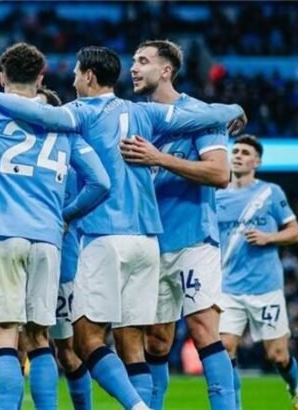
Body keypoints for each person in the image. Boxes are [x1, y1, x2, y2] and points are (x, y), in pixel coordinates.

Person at [0, 45, 246, 410]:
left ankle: (138, 407)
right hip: (148, 241)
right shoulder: (144, 112)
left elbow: (39, 114)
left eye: (77, 74)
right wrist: (234, 109)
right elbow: (203, 115)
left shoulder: (79, 112)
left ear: (89, 76)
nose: (73, 81)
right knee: (134, 344)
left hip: (103, 236)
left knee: (84, 340)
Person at [0, 42, 110, 410]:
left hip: (1, 232)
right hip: (47, 240)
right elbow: (101, 183)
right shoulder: (63, 124)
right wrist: (65, 215)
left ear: (1, 77)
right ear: (41, 78)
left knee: (4, 336)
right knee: (40, 338)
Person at [120, 39, 235, 410]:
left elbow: (219, 173)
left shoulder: (200, 114)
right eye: (133, 61)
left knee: (203, 329)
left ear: (166, 70)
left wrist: (159, 158)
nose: (133, 68)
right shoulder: (134, 117)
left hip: (193, 238)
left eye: (143, 61)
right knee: (156, 339)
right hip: (149, 241)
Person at [217, 135, 298, 410]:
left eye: (245, 153)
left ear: (256, 162)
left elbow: (295, 232)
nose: (238, 155)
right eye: (235, 151)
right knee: (224, 348)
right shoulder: (216, 195)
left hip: (265, 287)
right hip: (228, 287)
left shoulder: (270, 193)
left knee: (278, 355)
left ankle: (295, 388)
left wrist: (269, 237)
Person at [37, 86, 92, 410]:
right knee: (9, 346)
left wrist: (68, 217)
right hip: (21, 256)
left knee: (68, 352)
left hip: (63, 267)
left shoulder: (70, 158)